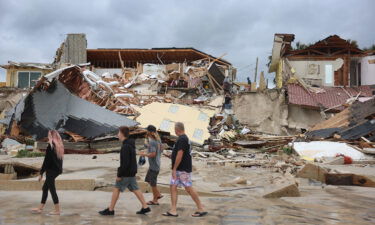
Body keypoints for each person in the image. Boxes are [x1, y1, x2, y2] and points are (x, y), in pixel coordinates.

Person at [99, 126, 151, 216]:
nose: (117, 135)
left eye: (118, 133)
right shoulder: (130, 144)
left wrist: (119, 175)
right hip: (131, 172)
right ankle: (145, 207)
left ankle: (110, 210)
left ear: (122, 134)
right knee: (135, 189)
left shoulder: (125, 146)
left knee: (116, 189)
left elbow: (125, 163)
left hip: (126, 173)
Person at [163, 122, 207, 217]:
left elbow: (180, 154)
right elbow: (178, 154)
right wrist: (171, 156)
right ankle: (173, 210)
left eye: (174, 129)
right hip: (180, 168)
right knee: (173, 187)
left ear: (177, 129)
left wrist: (174, 169)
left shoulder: (182, 139)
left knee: (188, 188)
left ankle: (201, 208)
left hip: (182, 169)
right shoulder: (182, 139)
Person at [31, 130, 64, 215]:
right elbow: (59, 160)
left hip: (51, 171)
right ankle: (40, 208)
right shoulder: (59, 145)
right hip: (57, 170)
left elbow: (47, 161)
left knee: (52, 189)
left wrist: (41, 173)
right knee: (45, 188)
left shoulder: (51, 146)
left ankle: (57, 210)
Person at [138, 125, 163, 205]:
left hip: (154, 166)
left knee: (153, 183)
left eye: (147, 131)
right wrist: (148, 147)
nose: (146, 132)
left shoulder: (153, 141)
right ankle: (157, 195)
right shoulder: (158, 140)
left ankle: (156, 198)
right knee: (149, 180)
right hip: (155, 164)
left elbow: (153, 154)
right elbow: (160, 150)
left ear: (149, 132)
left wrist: (144, 154)